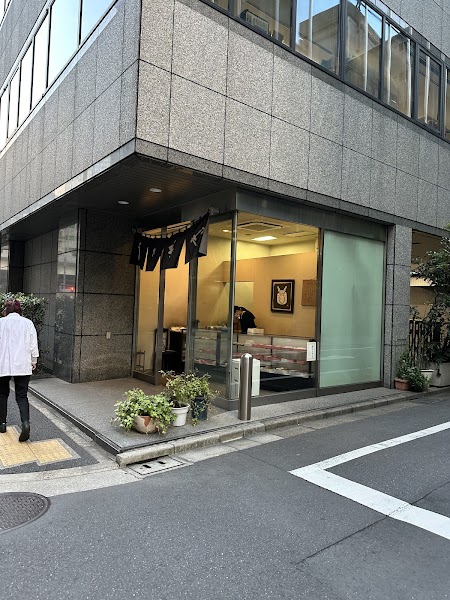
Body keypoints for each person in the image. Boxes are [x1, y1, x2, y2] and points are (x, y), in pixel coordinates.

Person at [0, 300, 39, 442]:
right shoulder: (28, 323)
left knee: (2, 394)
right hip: (22, 364)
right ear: (19, 311)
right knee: (22, 395)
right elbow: (33, 344)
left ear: (6, 311)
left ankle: (2, 424)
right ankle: (25, 423)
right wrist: (34, 360)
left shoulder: (1, 323)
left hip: (3, 364)